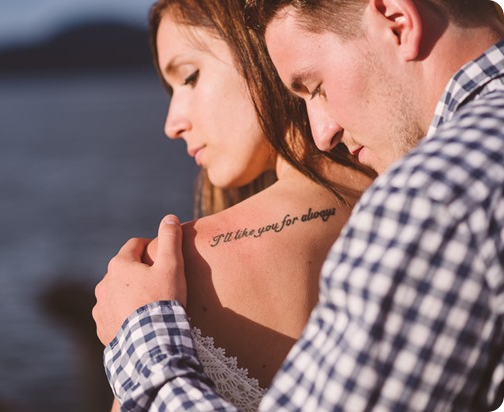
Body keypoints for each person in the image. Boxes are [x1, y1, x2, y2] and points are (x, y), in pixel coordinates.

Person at [94, 0, 504, 410]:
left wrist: (143, 342)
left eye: (190, 76)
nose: (171, 123)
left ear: (256, 59)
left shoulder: (428, 201)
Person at [98, 0, 373, 410]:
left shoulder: (168, 278)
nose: (172, 123)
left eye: (189, 77)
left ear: (263, 50)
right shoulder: (420, 203)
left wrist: (142, 330)